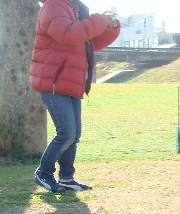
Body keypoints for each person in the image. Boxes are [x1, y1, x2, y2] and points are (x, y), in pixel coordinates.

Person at [30, 0, 120, 193]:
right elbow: (69, 35)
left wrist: (109, 28)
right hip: (54, 81)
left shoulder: (75, 8)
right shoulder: (53, 6)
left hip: (70, 81)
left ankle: (66, 178)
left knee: (74, 134)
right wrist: (98, 20)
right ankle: (43, 173)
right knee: (66, 133)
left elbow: (88, 42)